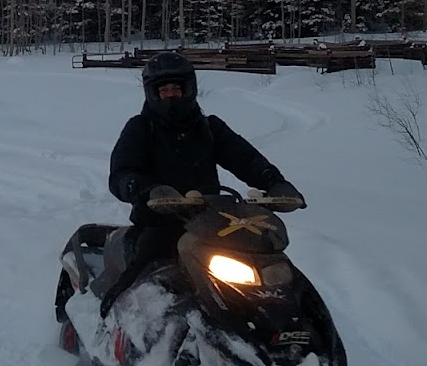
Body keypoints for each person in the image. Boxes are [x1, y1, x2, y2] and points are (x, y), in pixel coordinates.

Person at [101, 51, 302, 309]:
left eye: (176, 89)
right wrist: (148, 190)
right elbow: (121, 173)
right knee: (143, 274)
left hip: (212, 222)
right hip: (160, 222)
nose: (171, 95)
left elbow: (246, 159)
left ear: (189, 89)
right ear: (153, 93)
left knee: (270, 265)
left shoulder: (209, 127)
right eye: (164, 90)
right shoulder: (140, 128)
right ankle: (111, 316)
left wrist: (273, 181)